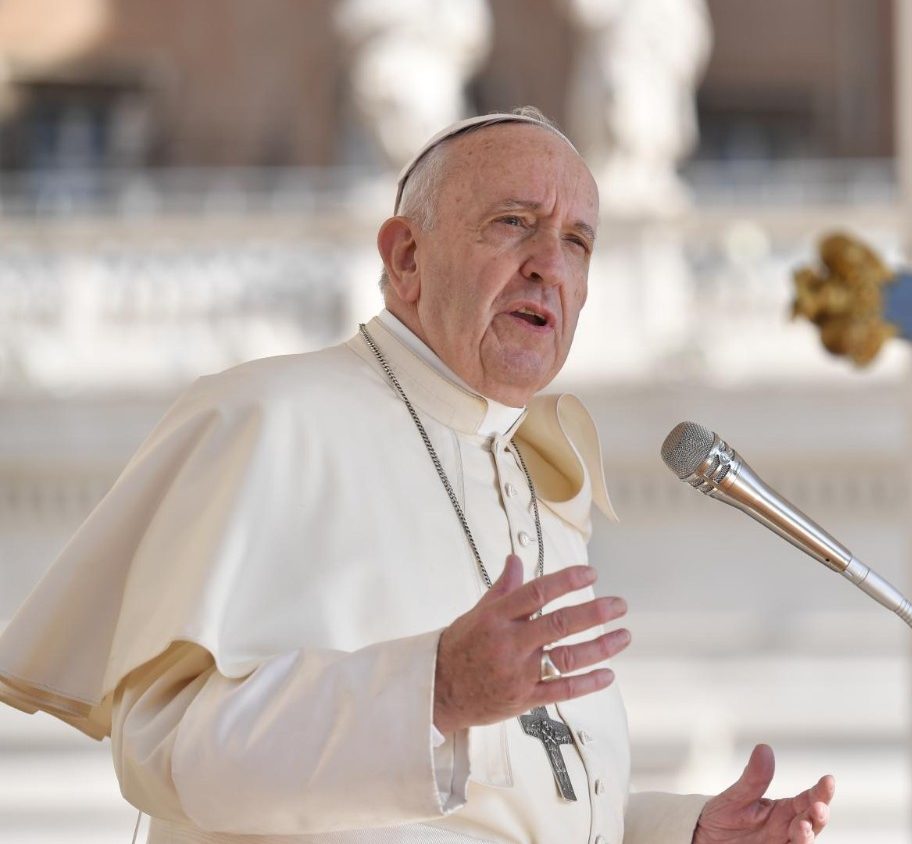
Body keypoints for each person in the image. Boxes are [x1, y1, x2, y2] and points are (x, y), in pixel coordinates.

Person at [0, 108, 835, 844]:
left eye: (578, 241)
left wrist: (680, 835)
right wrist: (430, 691)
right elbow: (169, 751)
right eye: (514, 223)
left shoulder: (536, 485)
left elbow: (515, 815)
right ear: (406, 258)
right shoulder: (269, 418)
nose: (551, 262)